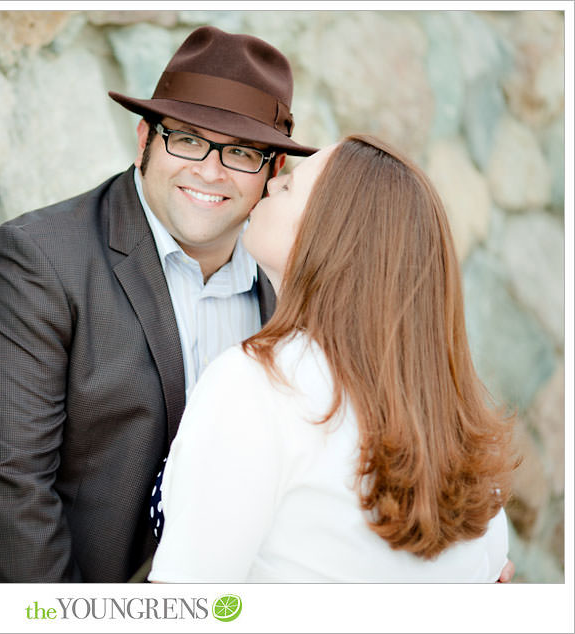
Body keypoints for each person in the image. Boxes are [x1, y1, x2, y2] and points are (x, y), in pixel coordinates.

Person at [0, 25, 319, 582]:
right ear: (144, 140)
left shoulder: (284, 293)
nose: (209, 171)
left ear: (272, 173)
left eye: (240, 153)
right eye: (186, 139)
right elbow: (7, 490)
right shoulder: (35, 261)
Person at [147, 134, 519, 582]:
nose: (268, 185)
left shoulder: (257, 385)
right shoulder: (463, 436)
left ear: (330, 234)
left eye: (288, 187)